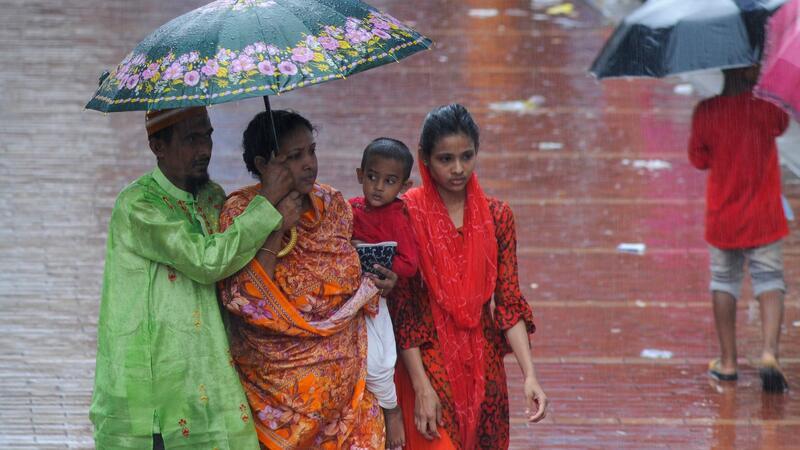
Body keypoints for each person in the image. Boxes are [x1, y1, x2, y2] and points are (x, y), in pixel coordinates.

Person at [90, 106, 299, 449]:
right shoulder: (139, 205)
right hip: (153, 392)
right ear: (158, 146)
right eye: (191, 139)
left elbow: (238, 266)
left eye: (208, 136)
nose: (204, 149)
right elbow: (207, 261)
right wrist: (266, 203)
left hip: (208, 377)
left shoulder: (211, 197)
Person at [218, 110, 398, 449]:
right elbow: (247, 300)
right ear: (263, 163)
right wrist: (275, 227)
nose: (309, 164)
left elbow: (350, 273)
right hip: (279, 392)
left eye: (311, 151)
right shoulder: (240, 212)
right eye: (294, 156)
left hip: (350, 395)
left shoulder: (331, 205)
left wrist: (379, 282)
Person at [392, 104, 548, 449]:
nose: (458, 169)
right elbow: (403, 310)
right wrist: (420, 387)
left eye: (467, 156)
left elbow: (508, 302)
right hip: (428, 364)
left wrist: (530, 375)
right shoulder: (406, 214)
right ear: (425, 159)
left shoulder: (497, 216)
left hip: (485, 366)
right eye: (445, 159)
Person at [689, 65, 790, 392]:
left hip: (724, 215)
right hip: (764, 212)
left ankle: (729, 362)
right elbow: (782, 124)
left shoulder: (707, 111)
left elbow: (699, 159)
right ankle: (769, 353)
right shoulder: (765, 105)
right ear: (748, 69)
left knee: (724, 281)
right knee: (769, 279)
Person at [349, 137, 419, 449]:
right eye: (372, 177)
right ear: (359, 174)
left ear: (405, 185)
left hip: (379, 299)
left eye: (389, 181)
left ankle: (391, 408)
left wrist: (392, 276)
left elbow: (410, 262)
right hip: (348, 299)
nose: (378, 187)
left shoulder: (398, 216)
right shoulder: (349, 209)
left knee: (380, 362)